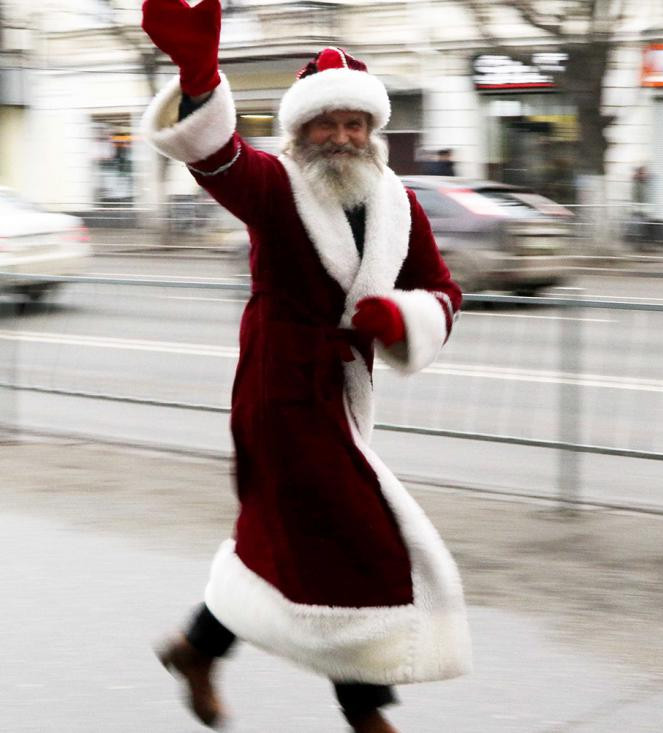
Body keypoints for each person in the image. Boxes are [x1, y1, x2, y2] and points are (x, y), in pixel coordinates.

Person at [138, 2, 471, 731]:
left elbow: (444, 290)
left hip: (341, 393)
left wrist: (404, 315)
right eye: (329, 123)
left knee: (282, 537)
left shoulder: (396, 202)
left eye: (357, 124)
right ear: (301, 130)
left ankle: (197, 646)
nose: (344, 136)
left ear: (373, 132)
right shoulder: (275, 185)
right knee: (357, 537)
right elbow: (218, 159)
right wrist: (199, 77)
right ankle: (367, 712)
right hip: (280, 389)